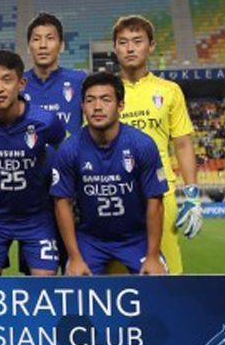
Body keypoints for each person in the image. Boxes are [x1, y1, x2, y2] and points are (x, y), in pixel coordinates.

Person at [0, 50, 65, 276]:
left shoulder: (45, 121)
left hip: (36, 217)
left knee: (46, 282)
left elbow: (61, 152)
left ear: (21, 83)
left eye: (7, 80)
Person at [51, 71, 168, 276]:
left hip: (136, 238)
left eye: (106, 100)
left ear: (120, 106)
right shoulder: (70, 149)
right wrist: (75, 258)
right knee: (75, 286)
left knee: (157, 282)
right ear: (82, 106)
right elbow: (62, 203)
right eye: (90, 100)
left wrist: (152, 256)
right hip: (90, 240)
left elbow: (155, 201)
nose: (97, 107)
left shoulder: (142, 145)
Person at [112, 15, 201, 275]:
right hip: (114, 194)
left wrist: (193, 195)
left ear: (151, 46)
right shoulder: (103, 93)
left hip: (161, 194)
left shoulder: (169, 90)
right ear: (115, 48)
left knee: (166, 276)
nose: (130, 48)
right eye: (123, 42)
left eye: (137, 41)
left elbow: (183, 144)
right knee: (115, 280)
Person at [23, 12, 87, 138]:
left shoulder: (79, 81)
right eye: (36, 39)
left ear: (61, 46)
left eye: (50, 38)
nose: (43, 45)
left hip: (70, 151)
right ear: (28, 47)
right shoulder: (18, 84)